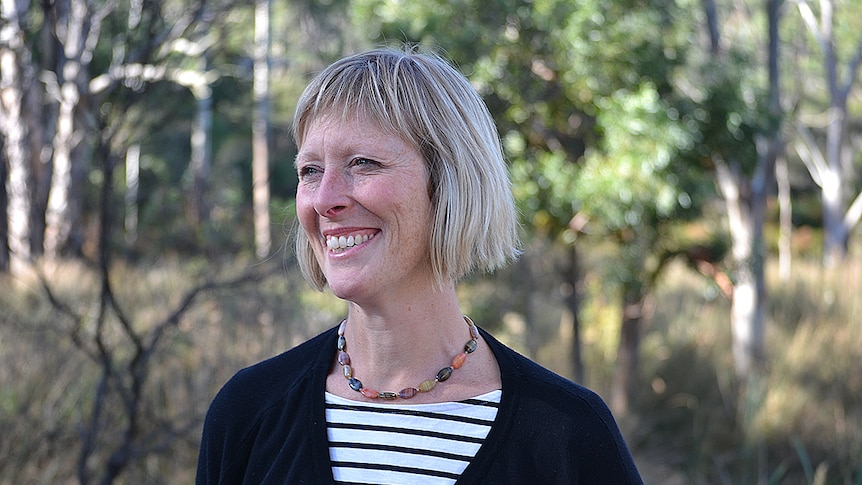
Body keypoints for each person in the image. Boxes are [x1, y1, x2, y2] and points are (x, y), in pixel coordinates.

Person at [197, 46, 643, 484]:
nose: (324, 199)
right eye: (310, 170)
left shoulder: (568, 436)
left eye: (362, 163)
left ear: (450, 183)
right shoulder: (248, 412)